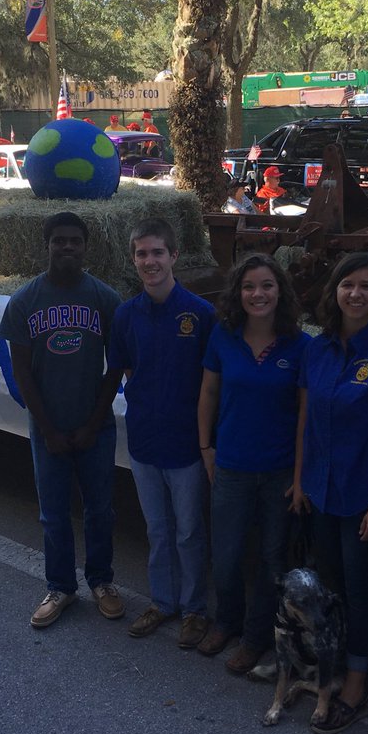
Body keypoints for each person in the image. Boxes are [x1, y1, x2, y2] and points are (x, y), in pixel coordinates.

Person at [291, 252, 368, 734]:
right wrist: (301, 480)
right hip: (321, 491)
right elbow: (304, 419)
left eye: (366, 286)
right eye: (348, 285)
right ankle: (343, 658)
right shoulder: (316, 349)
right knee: (332, 587)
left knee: (361, 592)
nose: (356, 294)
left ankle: (357, 684)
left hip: (364, 498)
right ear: (334, 292)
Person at [0, 212, 125, 629]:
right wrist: (49, 428)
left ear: (86, 247)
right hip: (47, 428)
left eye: (75, 241)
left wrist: (92, 423)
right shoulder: (25, 301)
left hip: (96, 426)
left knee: (100, 510)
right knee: (52, 513)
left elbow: (116, 368)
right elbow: (21, 372)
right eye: (59, 241)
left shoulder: (105, 299)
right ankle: (60, 587)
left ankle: (102, 582)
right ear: (47, 245)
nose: (67, 247)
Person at [196, 253, 311, 672]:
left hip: (279, 472)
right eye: (249, 287)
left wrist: (300, 477)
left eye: (266, 286)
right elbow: (208, 394)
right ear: (237, 293)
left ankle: (256, 637)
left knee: (271, 558)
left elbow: (305, 418)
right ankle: (226, 620)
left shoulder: (301, 346)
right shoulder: (223, 337)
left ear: (280, 291)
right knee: (225, 553)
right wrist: (206, 448)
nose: (257, 294)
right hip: (231, 467)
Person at [109, 219, 216, 648]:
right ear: (133, 259)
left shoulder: (200, 314)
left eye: (157, 252)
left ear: (174, 256)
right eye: (141, 254)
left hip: (186, 445)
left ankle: (194, 609)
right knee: (157, 528)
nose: (149, 261)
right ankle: (163, 601)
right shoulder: (125, 315)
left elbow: (211, 384)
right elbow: (130, 371)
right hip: (144, 442)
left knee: (189, 530)